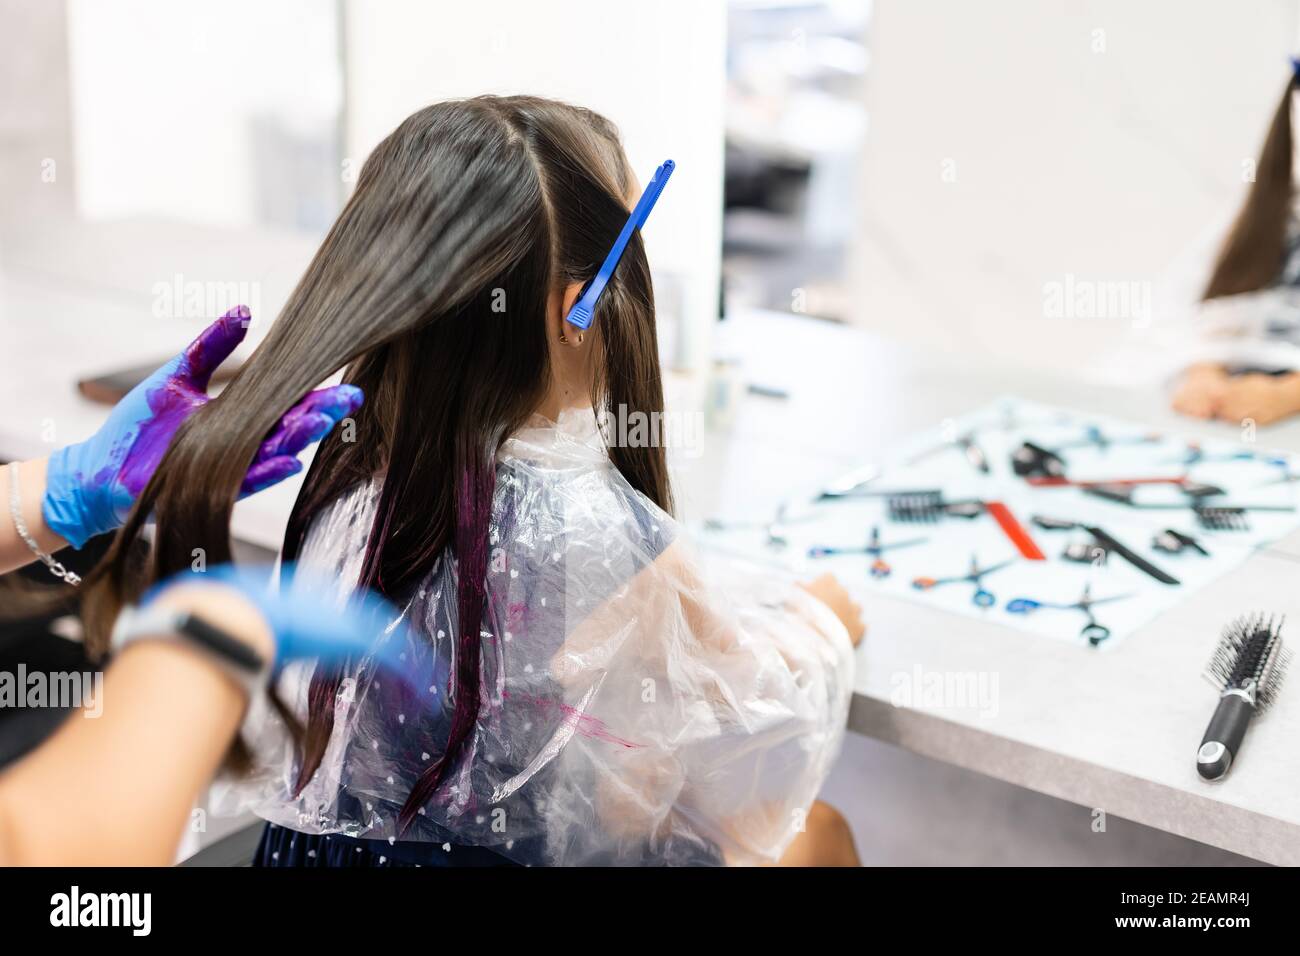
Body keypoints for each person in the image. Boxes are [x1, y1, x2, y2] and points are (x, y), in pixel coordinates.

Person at [71, 95, 865, 867]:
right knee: (817, 833)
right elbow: (743, 689)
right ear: (573, 309)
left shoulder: (351, 464)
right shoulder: (602, 530)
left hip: (312, 854)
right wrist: (819, 626)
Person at [1171, 62, 1300, 425]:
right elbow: (1204, 308)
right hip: (1230, 421)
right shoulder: (1268, 210)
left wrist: (1287, 395)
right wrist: (1203, 373)